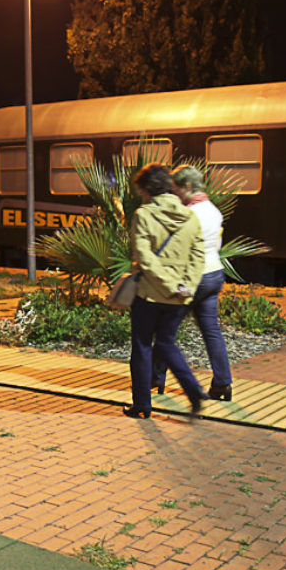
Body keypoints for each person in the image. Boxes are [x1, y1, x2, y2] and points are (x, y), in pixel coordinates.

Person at [124, 163, 207, 419]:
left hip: (149, 295)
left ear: (147, 189)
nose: (140, 194)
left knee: (142, 347)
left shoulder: (144, 215)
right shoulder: (190, 216)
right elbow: (198, 256)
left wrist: (169, 285)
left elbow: (145, 258)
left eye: (140, 190)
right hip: (179, 297)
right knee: (166, 343)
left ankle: (142, 405)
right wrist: (185, 287)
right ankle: (193, 390)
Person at [151, 165, 233, 400]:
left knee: (165, 331)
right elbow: (216, 245)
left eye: (176, 188)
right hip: (214, 273)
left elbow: (177, 250)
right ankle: (223, 383)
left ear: (187, 187)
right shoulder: (214, 211)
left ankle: (155, 379)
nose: (174, 193)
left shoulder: (187, 214)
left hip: (192, 277)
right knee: (211, 331)